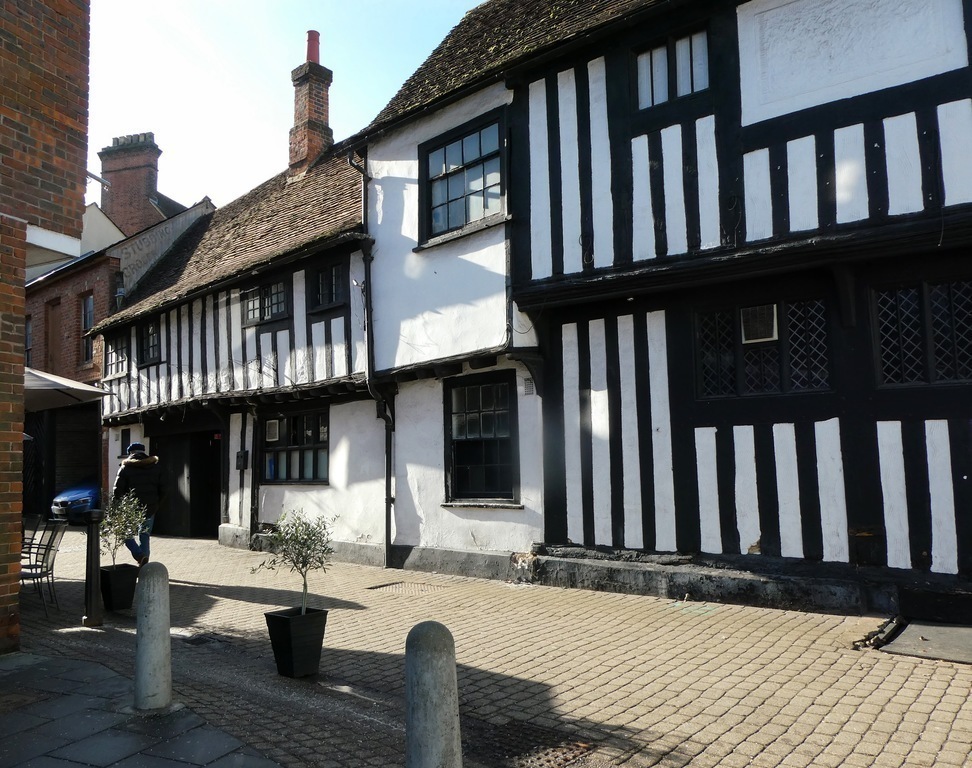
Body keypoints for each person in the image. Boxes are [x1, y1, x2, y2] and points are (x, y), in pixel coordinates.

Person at [112, 442, 165, 566]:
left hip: (130, 508)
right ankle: (144, 566)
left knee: (125, 533)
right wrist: (157, 505)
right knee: (144, 535)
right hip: (150, 508)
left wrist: (117, 507)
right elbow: (164, 489)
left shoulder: (125, 468)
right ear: (143, 452)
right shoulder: (156, 467)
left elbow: (117, 490)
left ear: (131, 453)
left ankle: (139, 556)